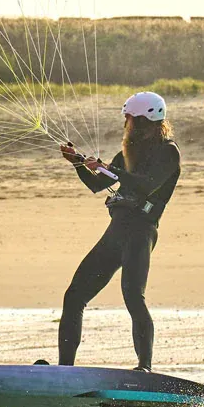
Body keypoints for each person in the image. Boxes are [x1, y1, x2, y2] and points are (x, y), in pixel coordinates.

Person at [54, 91, 181, 372]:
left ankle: (144, 367)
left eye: (130, 119)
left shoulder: (168, 152)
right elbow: (97, 184)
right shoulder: (129, 152)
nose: (127, 124)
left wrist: (112, 169)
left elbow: (147, 185)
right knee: (74, 296)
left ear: (145, 120)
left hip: (140, 233)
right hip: (116, 232)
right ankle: (65, 369)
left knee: (133, 297)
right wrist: (77, 161)